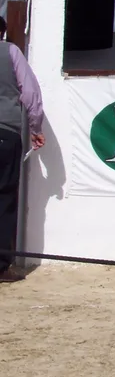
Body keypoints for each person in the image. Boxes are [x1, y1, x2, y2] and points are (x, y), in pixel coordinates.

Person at [0, 15, 44, 283]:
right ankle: (2, 267)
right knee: (4, 199)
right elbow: (30, 94)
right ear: (3, 31)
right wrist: (36, 128)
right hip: (5, 131)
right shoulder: (11, 51)